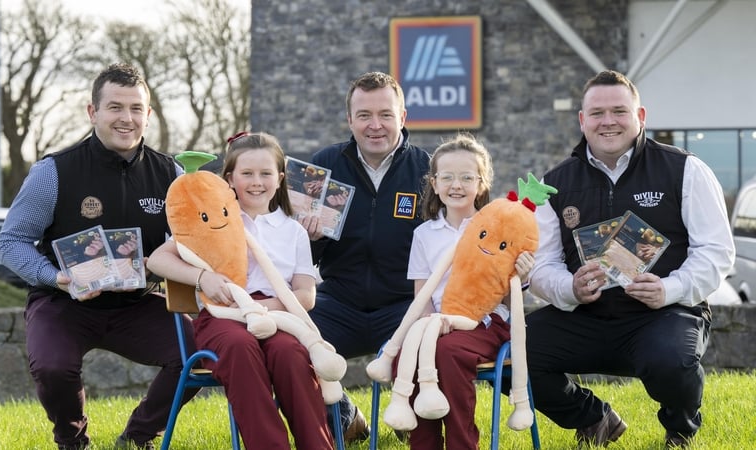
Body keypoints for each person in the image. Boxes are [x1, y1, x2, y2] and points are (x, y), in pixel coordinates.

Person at [526, 70, 735, 448]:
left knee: (672, 360)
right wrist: (569, 288)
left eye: (619, 111)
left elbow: (717, 252)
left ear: (640, 116)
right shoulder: (555, 182)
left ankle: (679, 428)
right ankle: (593, 419)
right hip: (585, 317)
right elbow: (541, 265)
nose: (608, 122)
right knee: (511, 352)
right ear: (582, 120)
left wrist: (669, 289)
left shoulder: (685, 170)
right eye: (598, 112)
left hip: (663, 315)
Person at [0, 63, 195, 450]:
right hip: (63, 301)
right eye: (115, 107)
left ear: (148, 115)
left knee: (200, 353)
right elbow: (11, 242)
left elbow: (190, 244)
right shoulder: (52, 171)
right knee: (53, 366)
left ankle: (137, 438)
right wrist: (56, 278)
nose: (127, 118)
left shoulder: (170, 173)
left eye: (136, 109)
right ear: (93, 112)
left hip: (136, 304)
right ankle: (73, 442)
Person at [147, 132, 336, 449]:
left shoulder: (293, 231)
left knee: (290, 354)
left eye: (265, 173)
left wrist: (270, 308)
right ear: (230, 178)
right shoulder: (212, 220)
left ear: (279, 178)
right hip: (224, 316)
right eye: (247, 173)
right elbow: (157, 259)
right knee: (239, 345)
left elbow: (305, 294)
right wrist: (201, 277)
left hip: (277, 316)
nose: (256, 182)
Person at [298, 71, 431, 441]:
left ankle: (413, 423)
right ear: (350, 120)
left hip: (403, 304)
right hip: (338, 301)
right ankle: (343, 414)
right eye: (364, 115)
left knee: (431, 339)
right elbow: (297, 255)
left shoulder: (428, 170)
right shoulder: (324, 165)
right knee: (288, 344)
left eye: (385, 115)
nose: (375, 126)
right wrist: (309, 238)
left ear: (403, 118)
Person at [404, 133, 533, 449]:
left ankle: (462, 443)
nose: (456, 185)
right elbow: (421, 298)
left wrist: (522, 275)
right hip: (437, 324)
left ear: (482, 182)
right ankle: (424, 443)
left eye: (466, 177)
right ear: (434, 183)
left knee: (448, 352)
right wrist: (431, 325)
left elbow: (506, 297)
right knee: (414, 354)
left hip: (485, 324)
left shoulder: (500, 229)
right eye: (447, 177)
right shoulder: (424, 235)